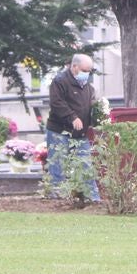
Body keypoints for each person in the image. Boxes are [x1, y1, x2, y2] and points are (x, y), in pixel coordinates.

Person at [46, 53, 100, 201]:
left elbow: (90, 106)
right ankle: (57, 196)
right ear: (74, 66)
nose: (87, 74)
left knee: (86, 164)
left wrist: (99, 115)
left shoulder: (88, 87)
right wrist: (73, 117)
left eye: (90, 71)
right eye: (84, 70)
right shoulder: (60, 81)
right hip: (59, 131)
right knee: (58, 164)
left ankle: (93, 198)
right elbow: (57, 103)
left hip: (80, 134)